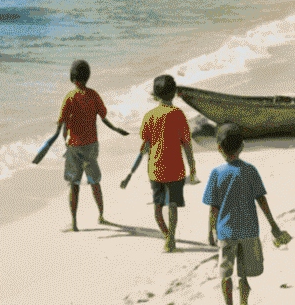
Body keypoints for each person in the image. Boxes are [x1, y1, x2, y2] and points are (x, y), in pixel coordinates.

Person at [204, 123, 288, 305]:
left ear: (218, 148)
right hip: (249, 230)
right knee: (243, 274)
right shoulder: (250, 170)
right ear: (242, 147)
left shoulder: (217, 173)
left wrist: (210, 231)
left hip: (227, 232)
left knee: (225, 273)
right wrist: (274, 226)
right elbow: (262, 201)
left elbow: (213, 208)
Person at [126, 75, 199, 251]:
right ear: (174, 93)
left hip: (155, 169)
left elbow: (146, 142)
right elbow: (186, 144)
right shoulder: (179, 115)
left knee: (158, 207)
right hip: (175, 168)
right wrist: (193, 167)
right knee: (173, 205)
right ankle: (171, 238)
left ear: (155, 95)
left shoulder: (149, 116)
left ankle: (167, 236)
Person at [56, 58, 129, 231]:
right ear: (88, 77)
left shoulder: (70, 98)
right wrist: (116, 129)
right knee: (95, 181)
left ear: (72, 78)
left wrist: (65, 143)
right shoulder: (94, 95)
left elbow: (63, 125)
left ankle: (74, 223)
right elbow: (104, 118)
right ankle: (101, 216)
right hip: (92, 146)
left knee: (74, 185)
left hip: (74, 146)